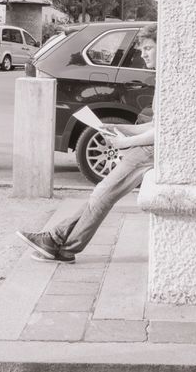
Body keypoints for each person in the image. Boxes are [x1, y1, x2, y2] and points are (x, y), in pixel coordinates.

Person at [16, 25, 157, 262]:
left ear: (164, 48)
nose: (143, 54)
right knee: (103, 193)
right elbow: (158, 126)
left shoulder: (171, 81)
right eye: (142, 49)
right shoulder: (165, 77)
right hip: (150, 147)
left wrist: (127, 141)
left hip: (151, 151)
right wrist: (121, 130)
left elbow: (166, 132)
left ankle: (60, 243)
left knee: (103, 192)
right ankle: (59, 242)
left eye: (148, 48)